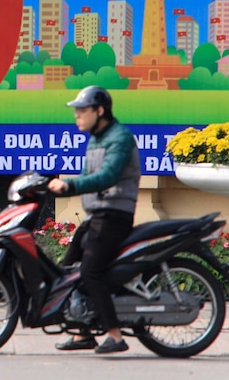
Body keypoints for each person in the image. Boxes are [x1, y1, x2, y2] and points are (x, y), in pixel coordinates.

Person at [47, 86, 139, 354]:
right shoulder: (96, 138)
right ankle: (82, 332)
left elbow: (108, 176)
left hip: (115, 215)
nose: (76, 116)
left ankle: (114, 334)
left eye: (82, 110)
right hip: (98, 215)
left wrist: (69, 186)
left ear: (99, 111)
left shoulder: (119, 138)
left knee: (90, 271)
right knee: (68, 268)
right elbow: (91, 176)